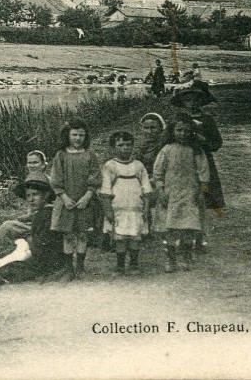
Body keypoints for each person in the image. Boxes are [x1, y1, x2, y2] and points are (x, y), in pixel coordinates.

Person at [0, 170, 65, 291]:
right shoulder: (41, 214)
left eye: (35, 195)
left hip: (45, 265)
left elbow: (44, 249)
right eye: (28, 196)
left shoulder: (46, 215)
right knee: (0, 268)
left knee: (1, 272)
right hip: (43, 260)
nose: (31, 199)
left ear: (45, 195)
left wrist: (26, 242)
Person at [153, 116, 210, 272]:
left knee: (188, 226)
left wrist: (201, 192)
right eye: (179, 130)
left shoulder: (196, 151)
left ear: (192, 132)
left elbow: (204, 173)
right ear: (172, 131)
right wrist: (160, 190)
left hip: (190, 193)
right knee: (169, 228)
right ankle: (170, 259)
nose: (183, 134)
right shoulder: (166, 150)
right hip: (171, 194)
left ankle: (185, 257)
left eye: (187, 131)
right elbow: (158, 173)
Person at [171, 81, 223, 250]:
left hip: (203, 163)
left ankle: (199, 239)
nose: (191, 103)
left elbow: (217, 143)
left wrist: (203, 141)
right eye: (187, 100)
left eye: (195, 99)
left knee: (201, 201)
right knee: (183, 200)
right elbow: (168, 140)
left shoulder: (207, 120)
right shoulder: (178, 121)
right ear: (182, 103)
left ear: (201, 101)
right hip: (182, 163)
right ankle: (183, 239)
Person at [49, 120, 101, 279]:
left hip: (84, 201)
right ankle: (69, 268)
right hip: (67, 201)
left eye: (81, 135)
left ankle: (80, 266)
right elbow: (56, 179)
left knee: (83, 234)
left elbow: (95, 176)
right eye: (74, 135)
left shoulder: (90, 155)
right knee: (68, 234)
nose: (78, 138)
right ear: (68, 135)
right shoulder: (61, 155)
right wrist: (64, 197)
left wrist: (88, 196)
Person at [0, 151, 49, 259]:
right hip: (35, 221)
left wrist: (26, 219)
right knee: (8, 225)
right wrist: (24, 217)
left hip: (42, 225)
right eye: (29, 163)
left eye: (35, 162)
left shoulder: (47, 182)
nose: (32, 166)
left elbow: (47, 209)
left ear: (43, 165)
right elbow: (31, 210)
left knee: (8, 226)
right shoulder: (30, 179)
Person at [100, 132, 154, 275]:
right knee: (120, 238)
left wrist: (146, 208)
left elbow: (146, 188)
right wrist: (108, 210)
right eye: (120, 145)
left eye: (128, 145)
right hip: (118, 209)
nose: (125, 148)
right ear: (113, 147)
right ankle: (120, 265)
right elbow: (105, 190)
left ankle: (134, 264)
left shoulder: (138, 166)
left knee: (135, 237)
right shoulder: (110, 166)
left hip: (136, 208)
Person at [134, 113, 167, 232]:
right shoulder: (137, 146)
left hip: (161, 181)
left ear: (161, 129)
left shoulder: (165, 146)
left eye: (153, 128)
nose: (149, 131)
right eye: (146, 128)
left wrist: (154, 180)